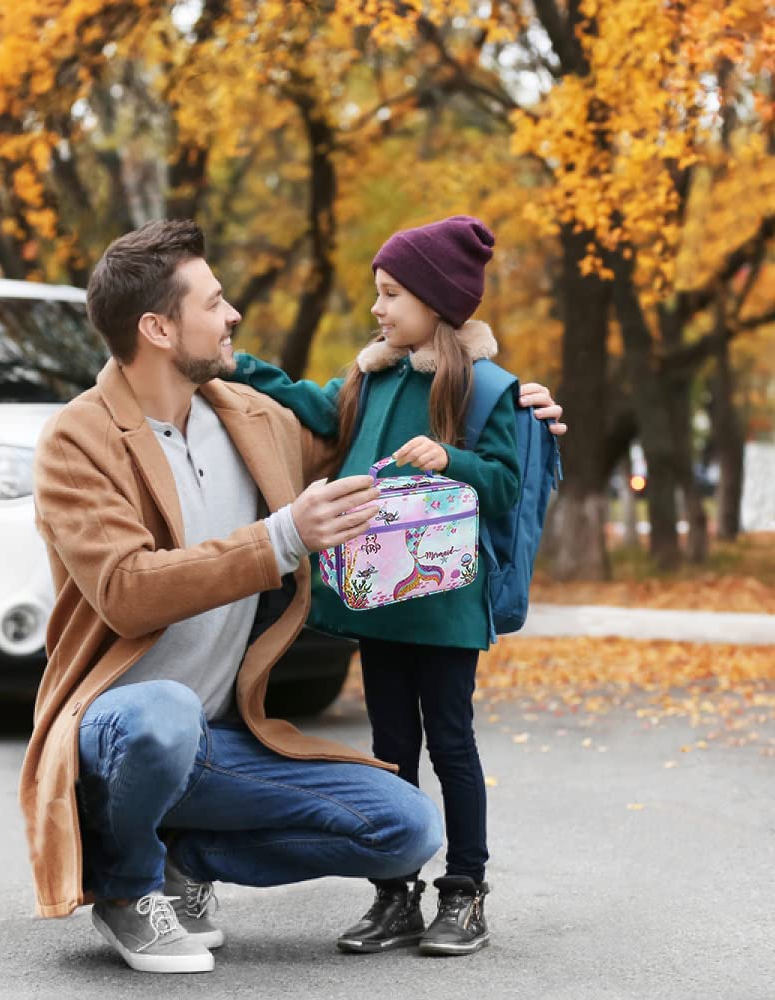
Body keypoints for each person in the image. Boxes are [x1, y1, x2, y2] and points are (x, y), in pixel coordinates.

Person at [18, 218, 447, 975]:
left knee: (407, 828)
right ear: (157, 327)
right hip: (119, 727)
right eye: (214, 303)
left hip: (219, 744)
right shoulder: (77, 439)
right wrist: (281, 538)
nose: (233, 317)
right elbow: (126, 592)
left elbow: (360, 435)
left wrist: (503, 412)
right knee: (163, 713)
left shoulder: (250, 417)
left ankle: (184, 857)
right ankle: (126, 889)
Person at [227, 215, 565, 958]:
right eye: (377, 294)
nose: (377, 308)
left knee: (451, 744)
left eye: (391, 294)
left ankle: (465, 893)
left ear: (437, 300)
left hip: (445, 605)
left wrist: (450, 459)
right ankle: (394, 895)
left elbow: (507, 487)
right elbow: (318, 410)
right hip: (380, 603)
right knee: (388, 748)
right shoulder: (371, 378)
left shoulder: (484, 387)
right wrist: (239, 366)